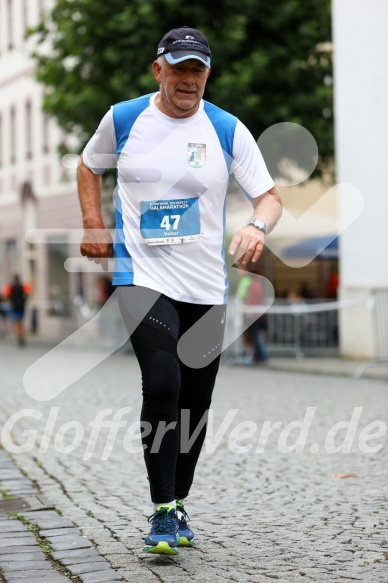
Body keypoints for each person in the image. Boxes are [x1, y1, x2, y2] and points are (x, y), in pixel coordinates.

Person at [77, 26, 282, 555]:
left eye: (198, 70)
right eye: (180, 68)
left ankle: (180, 499)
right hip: (141, 276)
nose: (188, 80)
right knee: (163, 383)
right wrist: (94, 224)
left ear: (207, 75)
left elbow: (269, 198)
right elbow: (88, 164)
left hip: (205, 285)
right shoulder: (124, 119)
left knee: (196, 402)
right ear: (158, 70)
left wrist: (256, 227)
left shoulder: (226, 129)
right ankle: (162, 509)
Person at [8, 275, 28, 346]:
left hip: (15, 307)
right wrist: (23, 302)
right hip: (21, 307)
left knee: (17, 322)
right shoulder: (21, 287)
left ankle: (19, 336)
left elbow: (9, 296)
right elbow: (26, 295)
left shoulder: (12, 287)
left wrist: (12, 302)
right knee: (20, 322)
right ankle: (21, 336)